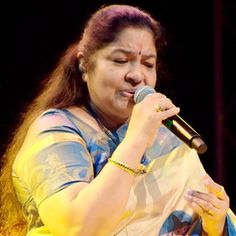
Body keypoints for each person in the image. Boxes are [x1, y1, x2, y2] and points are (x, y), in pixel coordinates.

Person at [0, 4, 235, 236]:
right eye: (121, 61)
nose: (136, 75)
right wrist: (137, 139)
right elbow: (79, 228)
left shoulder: (166, 134)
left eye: (148, 64)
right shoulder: (55, 131)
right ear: (84, 64)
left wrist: (214, 225)